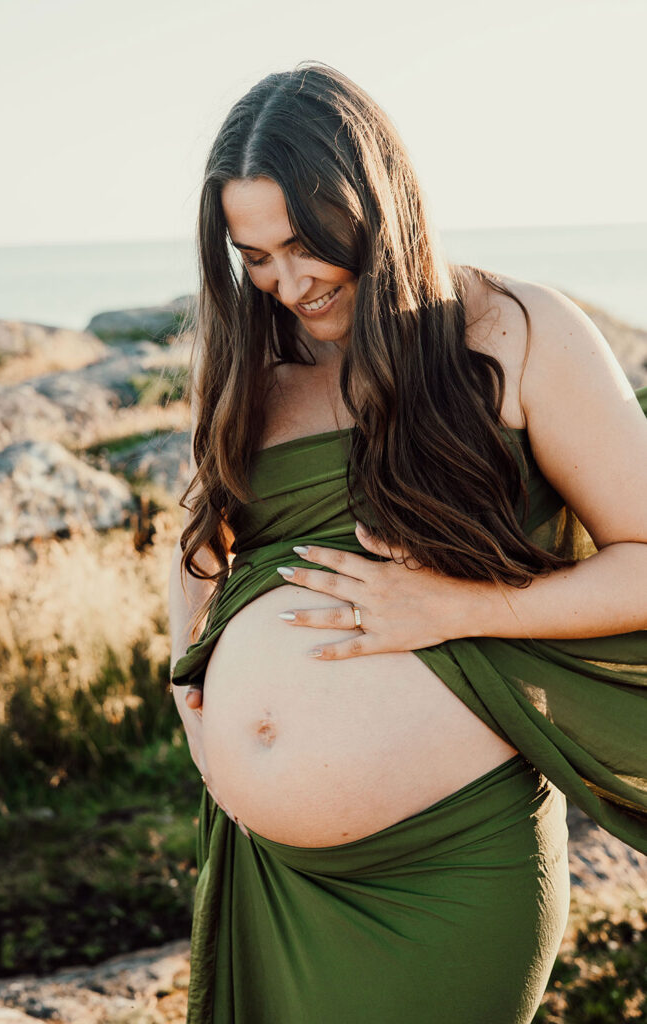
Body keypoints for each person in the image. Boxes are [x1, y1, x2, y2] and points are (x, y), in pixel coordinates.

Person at [168, 61, 647, 1024]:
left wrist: (463, 607)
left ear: (372, 205)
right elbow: (199, 541)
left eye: (305, 244)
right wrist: (198, 710)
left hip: (450, 866)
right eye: (252, 253)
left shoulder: (517, 330)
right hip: (275, 874)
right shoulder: (252, 357)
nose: (285, 282)